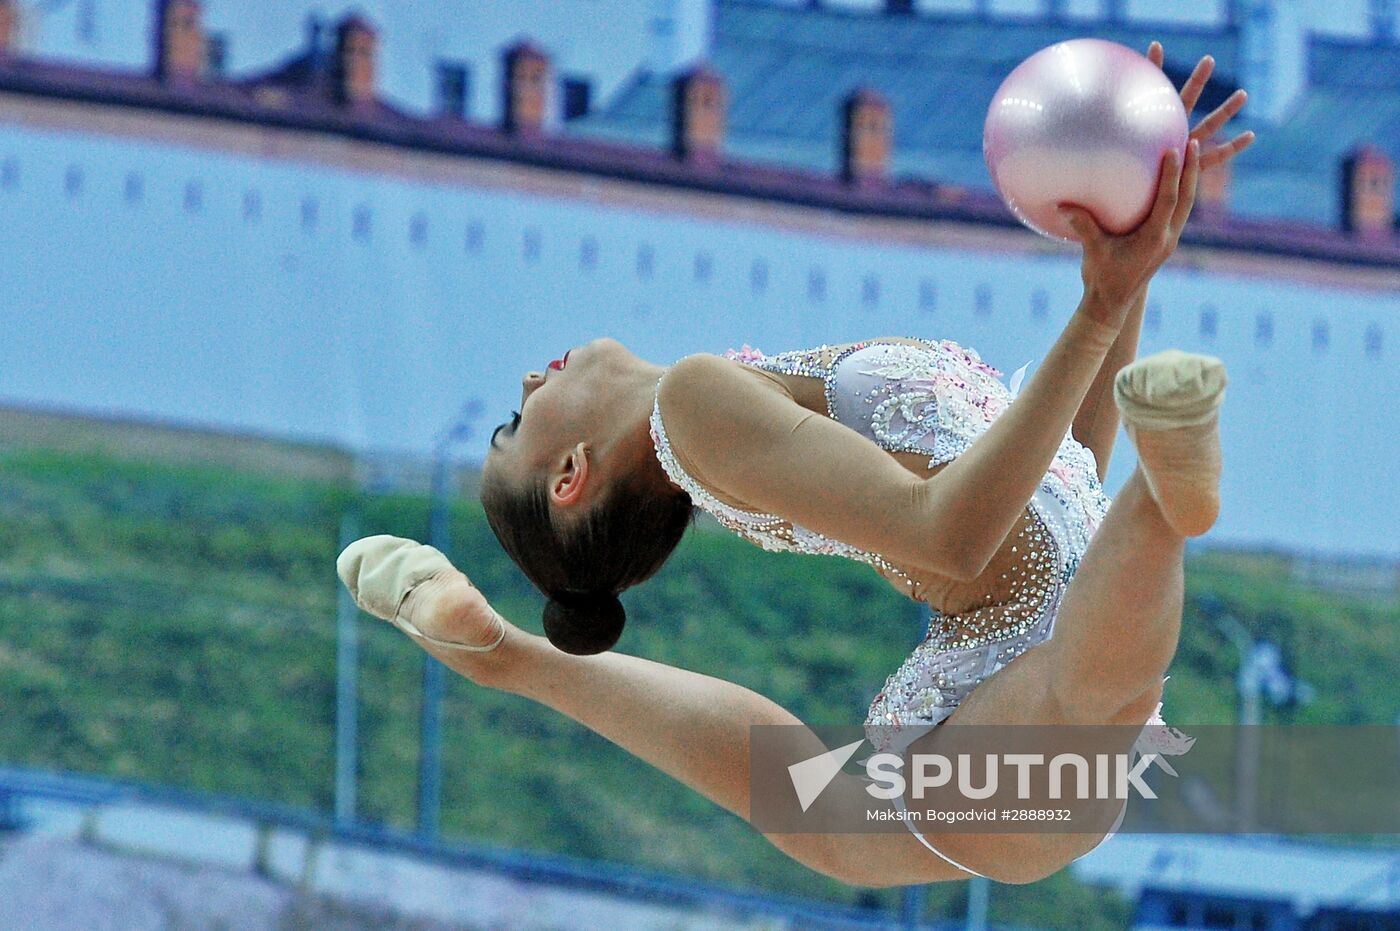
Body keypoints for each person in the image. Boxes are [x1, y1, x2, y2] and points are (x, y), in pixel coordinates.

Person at [336, 43, 1255, 885]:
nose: (532, 377)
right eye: (515, 417)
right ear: (570, 474)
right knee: (1072, 695)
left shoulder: (725, 414)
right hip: (1026, 691)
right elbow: (956, 535)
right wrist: (1099, 312)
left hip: (1014, 690)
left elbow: (1063, 477)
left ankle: (504, 655)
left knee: (818, 805)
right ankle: (1169, 497)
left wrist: (1124, 273)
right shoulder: (694, 404)